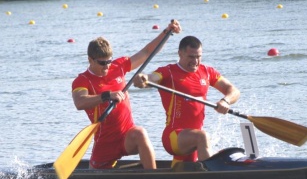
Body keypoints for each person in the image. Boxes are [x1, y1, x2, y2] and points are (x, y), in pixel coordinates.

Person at [71, 20, 182, 169]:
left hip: (127, 135)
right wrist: (106, 95)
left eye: (109, 61)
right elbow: (80, 102)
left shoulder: (118, 66)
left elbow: (147, 52)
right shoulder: (82, 80)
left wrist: (166, 33)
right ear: (90, 59)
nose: (107, 66)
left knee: (141, 133)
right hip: (105, 142)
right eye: (102, 63)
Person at [133, 35, 240, 167]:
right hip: (173, 136)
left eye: (198, 56)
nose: (195, 61)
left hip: (192, 138)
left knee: (183, 171)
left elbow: (233, 90)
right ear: (180, 53)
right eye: (191, 57)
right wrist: (143, 78)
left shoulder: (207, 72)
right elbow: (151, 78)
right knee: (203, 137)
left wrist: (226, 101)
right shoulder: (168, 72)